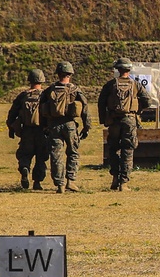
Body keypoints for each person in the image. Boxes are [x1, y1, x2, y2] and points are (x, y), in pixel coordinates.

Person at [98, 58, 153, 191]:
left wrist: (103, 120)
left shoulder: (110, 84)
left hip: (114, 120)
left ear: (118, 69)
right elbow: (148, 101)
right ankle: (124, 182)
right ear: (129, 70)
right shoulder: (136, 85)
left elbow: (101, 102)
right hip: (129, 120)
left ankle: (115, 178)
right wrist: (137, 111)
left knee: (113, 149)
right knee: (128, 150)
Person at [39, 61, 92, 193]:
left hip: (53, 125)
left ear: (58, 74)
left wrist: (44, 126)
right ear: (70, 74)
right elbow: (85, 108)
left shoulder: (49, 90)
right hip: (70, 125)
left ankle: (60, 184)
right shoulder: (74, 89)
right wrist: (87, 126)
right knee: (73, 153)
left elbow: (41, 109)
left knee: (56, 155)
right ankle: (71, 181)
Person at [5, 69, 50, 190]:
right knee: (41, 157)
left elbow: (12, 113)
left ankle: (25, 168)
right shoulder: (46, 95)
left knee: (25, 154)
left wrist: (11, 127)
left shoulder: (23, 96)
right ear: (42, 80)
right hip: (42, 131)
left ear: (29, 79)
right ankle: (37, 182)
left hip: (26, 131)